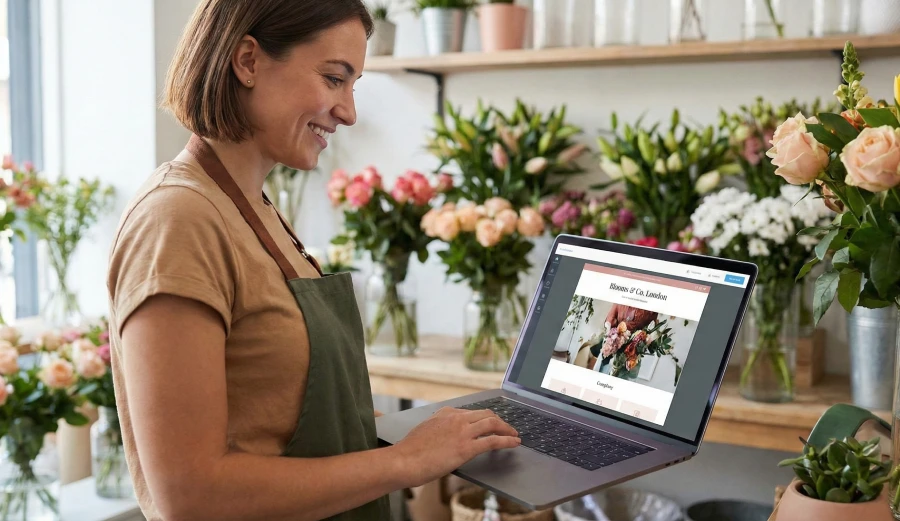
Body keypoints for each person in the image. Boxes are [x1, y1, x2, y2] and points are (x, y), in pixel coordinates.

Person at [105, 2, 520, 520]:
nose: (348, 111)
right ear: (248, 61)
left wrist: (403, 434)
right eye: (333, 78)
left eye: (354, 85)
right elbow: (190, 495)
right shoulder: (178, 220)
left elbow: (274, 412)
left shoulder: (252, 205)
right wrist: (408, 461)